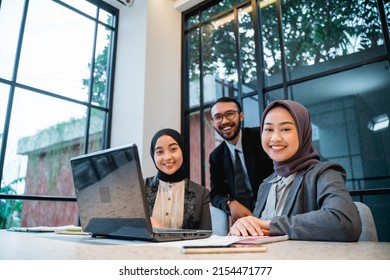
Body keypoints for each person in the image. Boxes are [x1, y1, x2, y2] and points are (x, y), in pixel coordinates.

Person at [228, 100, 362, 241]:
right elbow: (257, 230)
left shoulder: (324, 173)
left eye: (285, 129)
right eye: (268, 129)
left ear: (303, 132)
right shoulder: (266, 185)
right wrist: (244, 227)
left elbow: (344, 223)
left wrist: (271, 225)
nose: (275, 138)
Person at [209, 97, 274, 223]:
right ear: (212, 123)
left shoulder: (260, 138)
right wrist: (230, 203)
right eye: (218, 117)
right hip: (245, 222)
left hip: (274, 212)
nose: (224, 121)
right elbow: (216, 194)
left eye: (230, 114)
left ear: (241, 116)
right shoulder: (216, 156)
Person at [144, 128, 212, 230]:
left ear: (183, 150)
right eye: (159, 151)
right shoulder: (141, 187)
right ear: (153, 156)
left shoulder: (201, 193)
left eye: (173, 149)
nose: (167, 157)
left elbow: (205, 238)